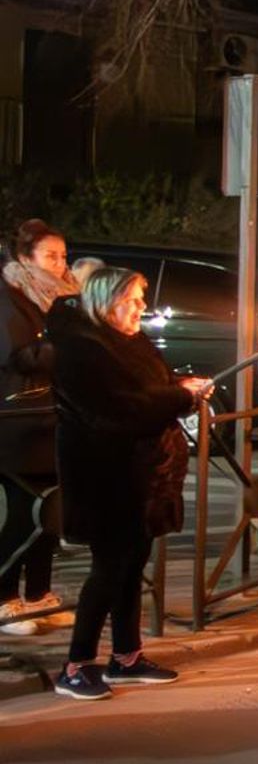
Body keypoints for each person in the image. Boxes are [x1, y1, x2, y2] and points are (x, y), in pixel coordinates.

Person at [49, 267, 207, 700]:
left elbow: (148, 389)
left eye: (141, 298)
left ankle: (126, 656)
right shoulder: (83, 349)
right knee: (109, 568)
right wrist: (179, 397)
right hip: (107, 477)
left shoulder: (128, 340)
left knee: (132, 564)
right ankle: (76, 664)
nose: (143, 306)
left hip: (143, 475)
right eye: (134, 298)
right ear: (107, 300)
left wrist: (180, 387)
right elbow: (117, 411)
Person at [0, 220, 79, 636]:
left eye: (63, 256)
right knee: (22, 512)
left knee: (53, 509)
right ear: (25, 258)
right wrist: (64, 343)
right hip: (19, 419)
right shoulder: (10, 296)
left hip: (55, 415)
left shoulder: (63, 299)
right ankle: (4, 598)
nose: (59, 264)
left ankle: (38, 595)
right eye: (50, 256)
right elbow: (17, 356)